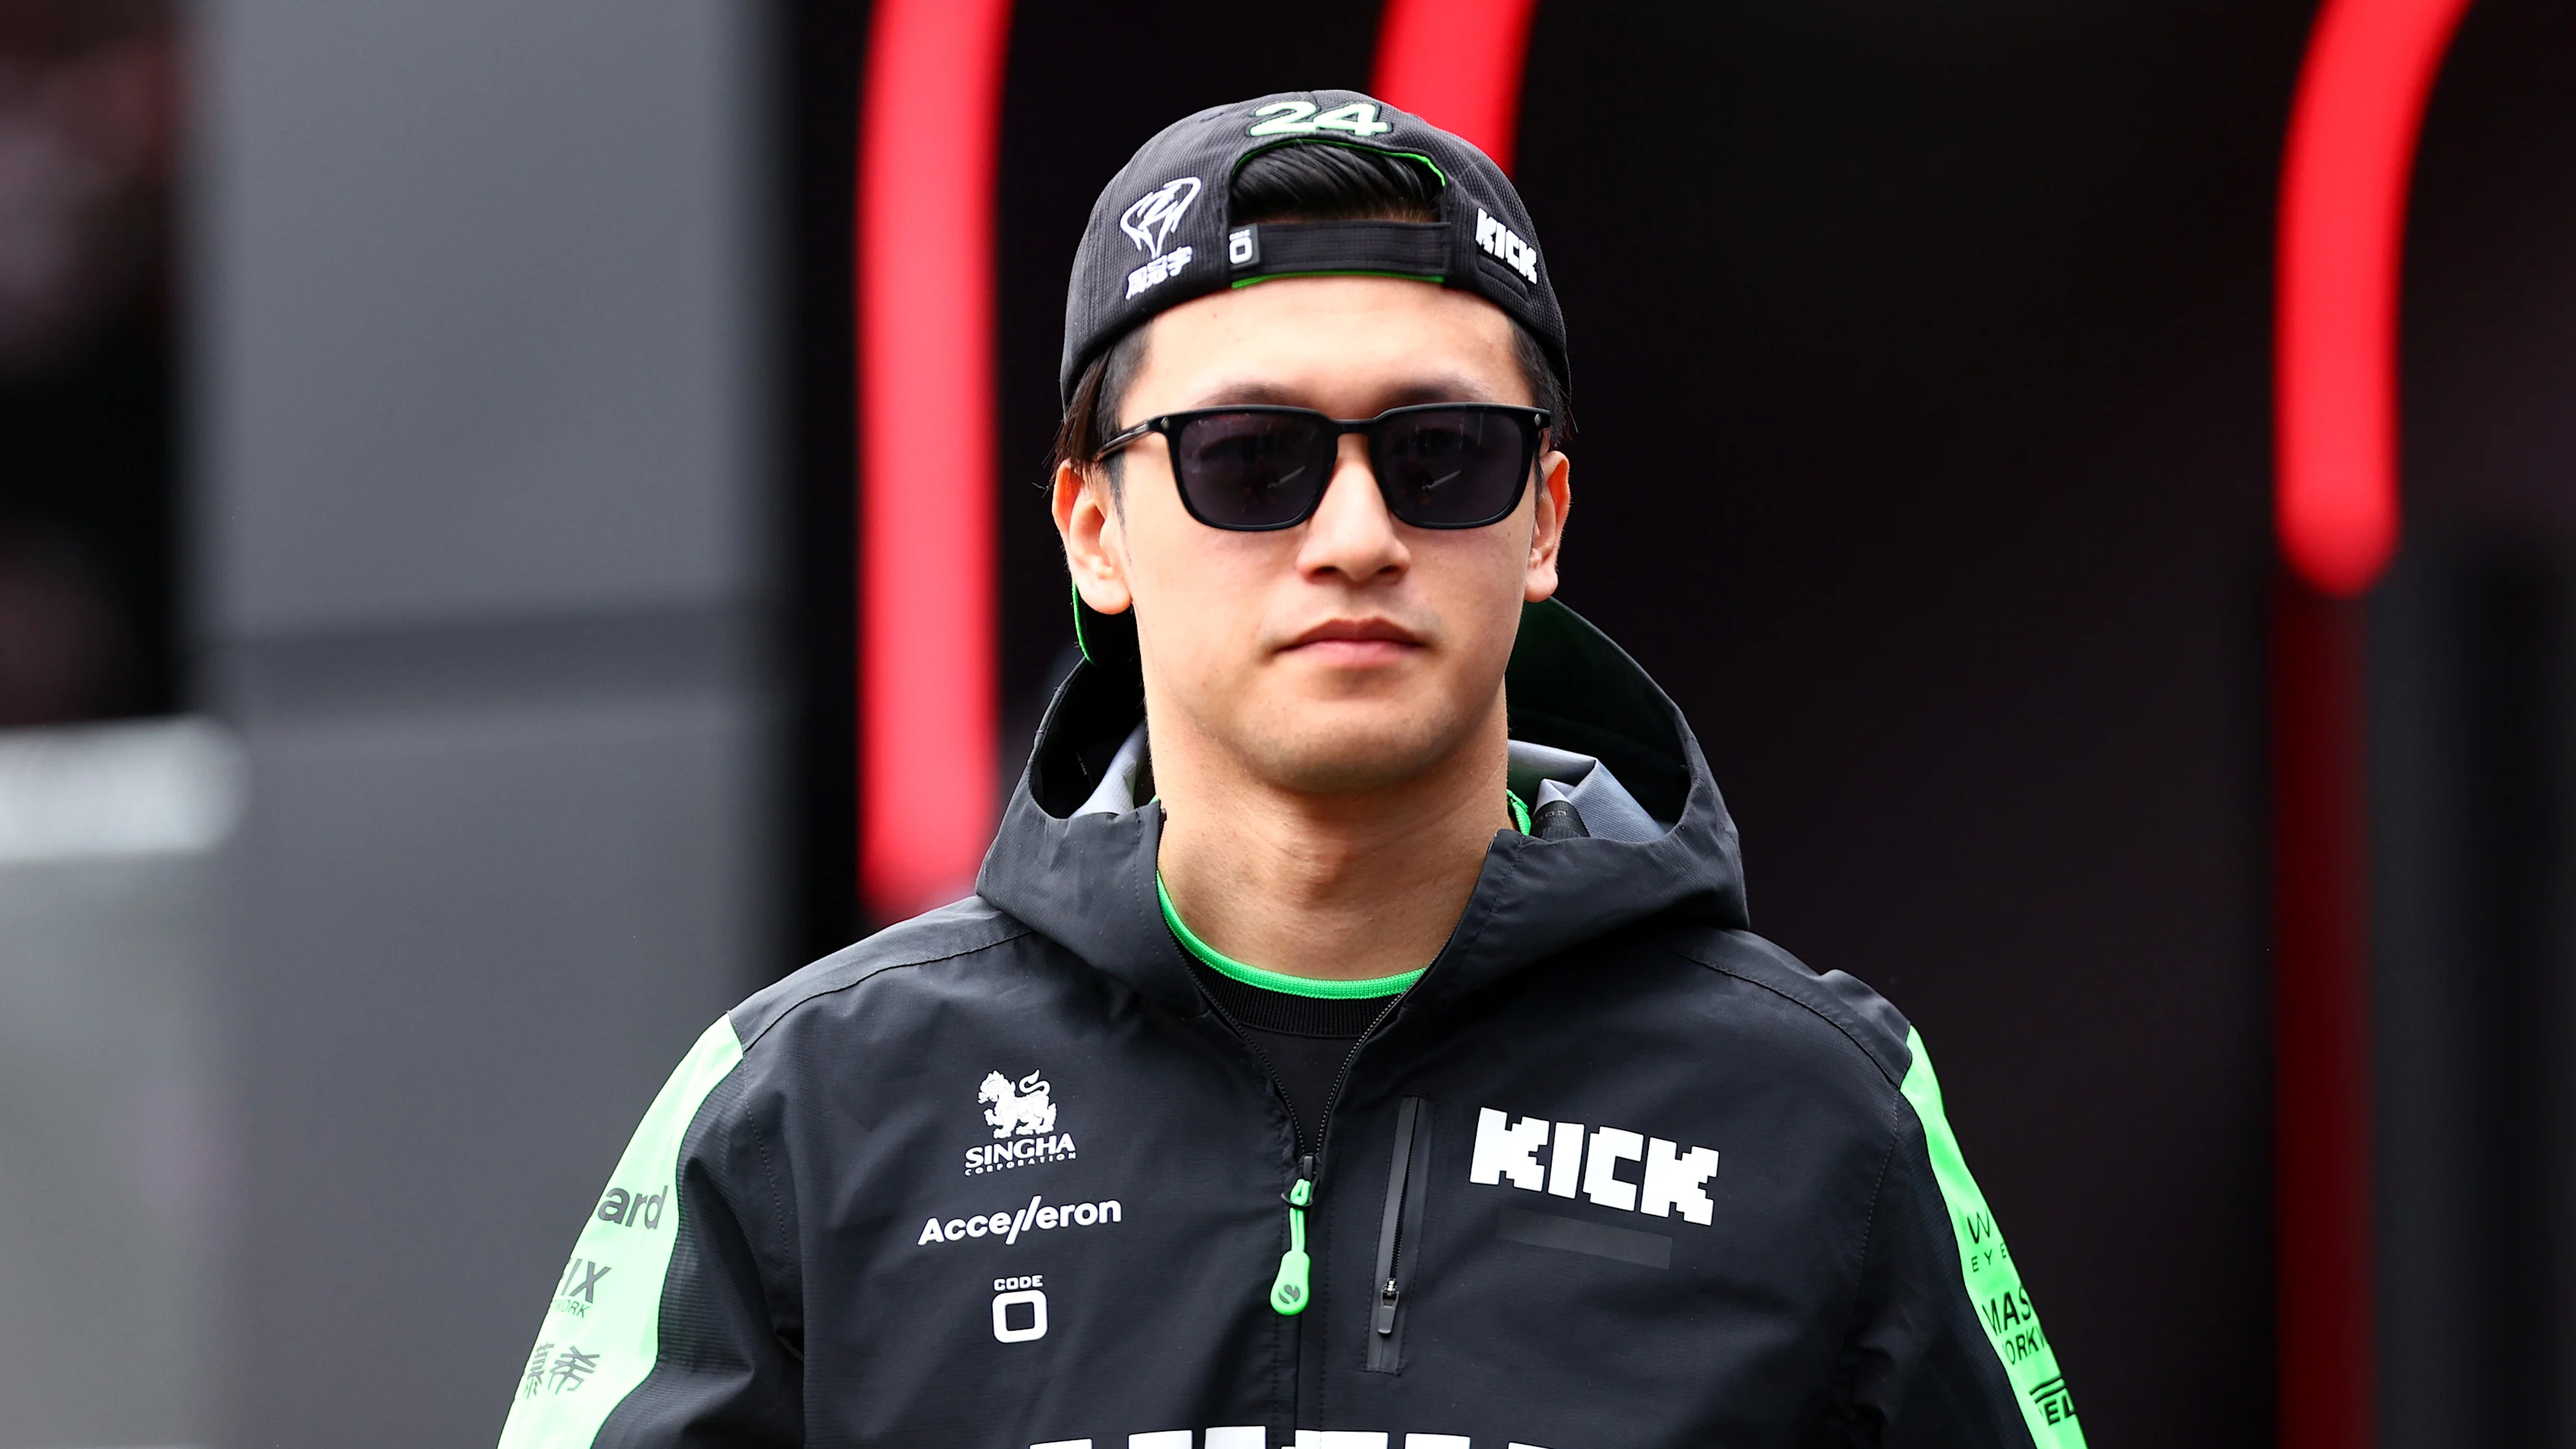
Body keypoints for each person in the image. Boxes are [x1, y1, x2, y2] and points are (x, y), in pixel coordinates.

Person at [498, 90, 2085, 1449]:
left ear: (1540, 520)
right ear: (1094, 528)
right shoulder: (807, 1105)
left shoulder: (1817, 1108)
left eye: (1438, 455)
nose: (1353, 538)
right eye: (1247, 459)